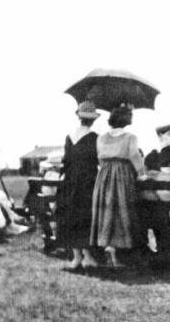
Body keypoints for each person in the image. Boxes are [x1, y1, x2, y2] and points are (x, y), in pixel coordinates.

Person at [90, 105, 146, 268]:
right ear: (126, 119)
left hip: (105, 175)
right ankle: (120, 248)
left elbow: (100, 158)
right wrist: (141, 173)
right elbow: (134, 155)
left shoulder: (101, 138)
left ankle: (108, 244)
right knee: (121, 208)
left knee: (106, 209)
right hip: (122, 174)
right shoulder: (130, 137)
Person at [55, 101, 100, 270]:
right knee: (86, 217)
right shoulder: (95, 137)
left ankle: (76, 257)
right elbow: (97, 160)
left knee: (71, 217)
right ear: (93, 120)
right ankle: (87, 257)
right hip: (87, 181)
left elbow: (66, 160)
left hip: (70, 181)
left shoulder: (70, 136)